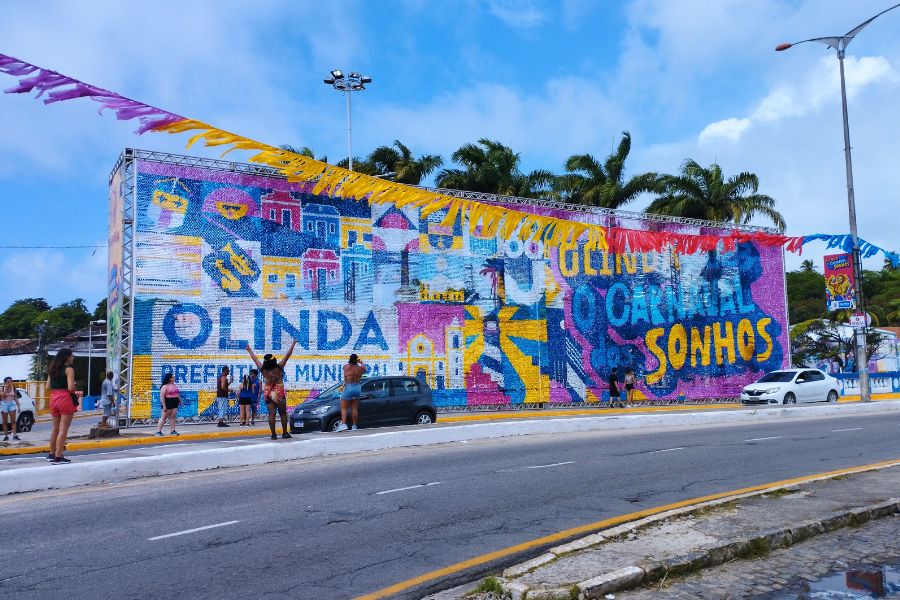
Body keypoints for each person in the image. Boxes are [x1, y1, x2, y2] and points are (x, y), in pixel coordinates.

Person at [246, 340, 296, 440]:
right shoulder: (279, 367)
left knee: (271, 413)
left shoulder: (263, 370)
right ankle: (284, 433)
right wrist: (293, 343)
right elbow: (288, 354)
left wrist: (249, 350)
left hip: (268, 392)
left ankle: (273, 435)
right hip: (279, 391)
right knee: (282, 413)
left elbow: (254, 359)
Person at [46, 348, 77, 464]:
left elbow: (47, 387)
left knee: (55, 428)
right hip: (65, 398)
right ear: (67, 357)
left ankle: (51, 454)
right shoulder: (69, 370)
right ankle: (58, 457)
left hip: (53, 398)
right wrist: (74, 385)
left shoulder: (52, 370)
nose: (73, 358)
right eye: (72, 355)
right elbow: (70, 388)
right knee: (63, 429)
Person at [339, 354, 366, 432]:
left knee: (344, 407)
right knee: (354, 408)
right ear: (357, 360)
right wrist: (361, 362)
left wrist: (343, 386)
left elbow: (345, 377)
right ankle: (354, 426)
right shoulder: (361, 368)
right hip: (357, 387)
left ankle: (344, 425)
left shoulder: (345, 367)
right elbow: (365, 369)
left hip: (349, 386)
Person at [1, 376, 19, 442]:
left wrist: (18, 406)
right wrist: (6, 389)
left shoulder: (13, 388)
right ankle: (6, 436)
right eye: (8, 382)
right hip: (4, 404)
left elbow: (16, 397)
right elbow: (2, 396)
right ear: (5, 382)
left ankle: (15, 435)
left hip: (12, 404)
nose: (10, 383)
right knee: (5, 421)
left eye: (11, 382)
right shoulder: (2, 388)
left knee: (13, 420)